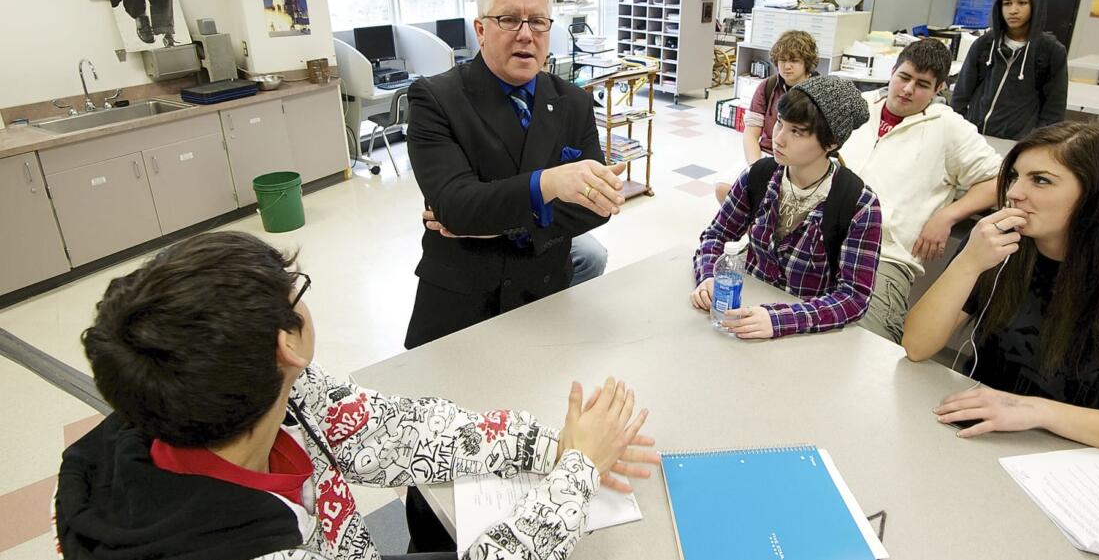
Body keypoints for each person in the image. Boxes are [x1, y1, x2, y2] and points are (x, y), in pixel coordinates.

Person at [55, 232, 658, 560]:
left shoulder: (242, 396)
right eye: (297, 291)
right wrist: (576, 473)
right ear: (286, 346)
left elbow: (398, 431)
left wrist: (551, 445)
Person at [902, 123, 1099, 463]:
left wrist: (1033, 410)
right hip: (977, 423)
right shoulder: (995, 245)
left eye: (1040, 180)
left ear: (1096, 194)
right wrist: (967, 264)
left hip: (1072, 448)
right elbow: (917, 346)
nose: (1014, 192)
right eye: (1014, 176)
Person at [406, 0, 626, 349]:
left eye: (538, 21)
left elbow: (596, 207)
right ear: (480, 30)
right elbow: (455, 206)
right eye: (509, 19)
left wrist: (501, 223)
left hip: (543, 298)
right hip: (462, 306)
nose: (526, 34)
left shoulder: (572, 101)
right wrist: (551, 183)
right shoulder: (436, 99)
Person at [692, 76, 882, 339]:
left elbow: (854, 297)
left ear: (831, 143)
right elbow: (715, 235)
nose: (778, 139)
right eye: (780, 124)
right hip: (747, 314)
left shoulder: (858, 203)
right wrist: (708, 276)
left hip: (811, 331)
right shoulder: (760, 175)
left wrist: (780, 320)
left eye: (797, 132)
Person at [839, 39, 1002, 343]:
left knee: (860, 345)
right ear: (892, 71)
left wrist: (949, 215)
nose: (908, 90)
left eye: (922, 84)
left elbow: (1001, 180)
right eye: (904, 77)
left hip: (882, 258)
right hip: (821, 240)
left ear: (939, 88)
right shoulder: (858, 107)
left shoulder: (949, 128)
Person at [951, 0, 1068, 139]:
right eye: (1007, 3)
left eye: (1022, 3)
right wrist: (960, 131)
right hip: (974, 138)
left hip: (1017, 144)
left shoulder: (1050, 51)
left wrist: (1034, 143)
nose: (1013, 10)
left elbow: (1054, 111)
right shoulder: (985, 44)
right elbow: (960, 96)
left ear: (1036, 5)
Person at [714, 30, 819, 204]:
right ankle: (754, 228)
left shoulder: (818, 91)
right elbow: (751, 134)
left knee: (780, 203)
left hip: (800, 160)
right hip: (766, 154)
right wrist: (757, 169)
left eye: (794, 60)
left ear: (806, 63)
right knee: (724, 189)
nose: (787, 66)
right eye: (782, 60)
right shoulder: (767, 86)